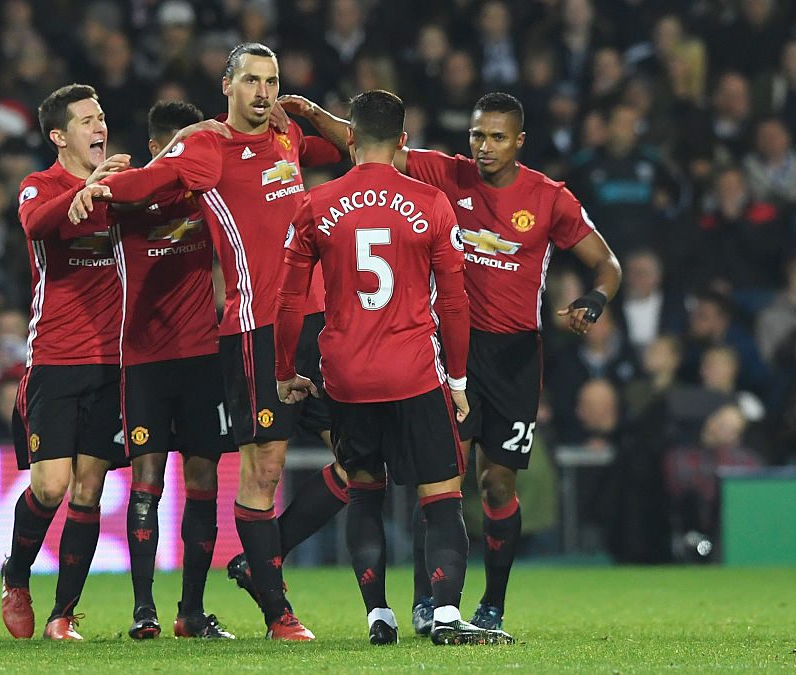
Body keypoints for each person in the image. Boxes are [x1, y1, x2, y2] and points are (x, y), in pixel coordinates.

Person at [277, 91, 621, 634]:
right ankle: (429, 605)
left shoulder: (549, 198)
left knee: (497, 486)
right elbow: (373, 141)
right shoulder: (448, 175)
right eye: (478, 135)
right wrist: (313, 115)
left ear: (519, 142)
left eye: (497, 138)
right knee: (441, 479)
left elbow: (606, 262)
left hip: (513, 357)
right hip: (448, 350)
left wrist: (595, 300)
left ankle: (492, 604)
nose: (484, 148)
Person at [68, 43, 343, 640]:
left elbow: (360, 147)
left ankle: (267, 567)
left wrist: (314, 115)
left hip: (320, 319)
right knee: (263, 471)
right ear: (227, 85)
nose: (263, 91)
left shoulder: (287, 136)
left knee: (361, 458)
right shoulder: (207, 147)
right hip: (255, 329)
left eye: (271, 81)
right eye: (251, 80)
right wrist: (99, 188)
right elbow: (151, 181)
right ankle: (279, 614)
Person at [273, 89, 512, 646]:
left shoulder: (316, 204)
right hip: (414, 372)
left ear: (350, 139)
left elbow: (288, 301)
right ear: (403, 140)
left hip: (347, 375)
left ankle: (378, 615)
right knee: (441, 496)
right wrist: (456, 380)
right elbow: (454, 303)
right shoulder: (430, 203)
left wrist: (286, 369)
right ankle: (447, 615)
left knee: (364, 491)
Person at [0, 83, 128, 642]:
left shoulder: (122, 187)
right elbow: (35, 226)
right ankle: (16, 575)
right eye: (86, 121)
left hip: (113, 362)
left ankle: (63, 615)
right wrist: (83, 192)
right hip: (54, 359)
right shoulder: (38, 187)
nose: (99, 127)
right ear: (59, 136)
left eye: (101, 117)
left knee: (88, 490)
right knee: (49, 487)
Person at [110, 100, 234, 640]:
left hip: (204, 358)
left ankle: (191, 611)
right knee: (146, 482)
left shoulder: (205, 197)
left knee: (204, 480)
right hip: (144, 362)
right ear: (159, 150)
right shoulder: (125, 198)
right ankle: (144, 610)